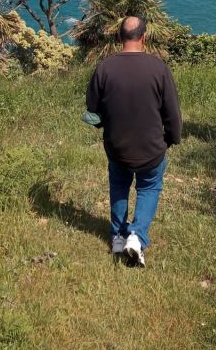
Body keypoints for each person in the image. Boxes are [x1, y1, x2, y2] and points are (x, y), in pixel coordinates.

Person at [86, 16, 182, 267]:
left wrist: (103, 125)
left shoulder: (105, 67)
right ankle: (136, 236)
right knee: (149, 188)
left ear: (120, 37)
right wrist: (171, 139)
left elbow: (92, 110)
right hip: (151, 148)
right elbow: (172, 112)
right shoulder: (158, 68)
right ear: (144, 37)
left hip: (116, 146)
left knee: (119, 186)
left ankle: (118, 236)